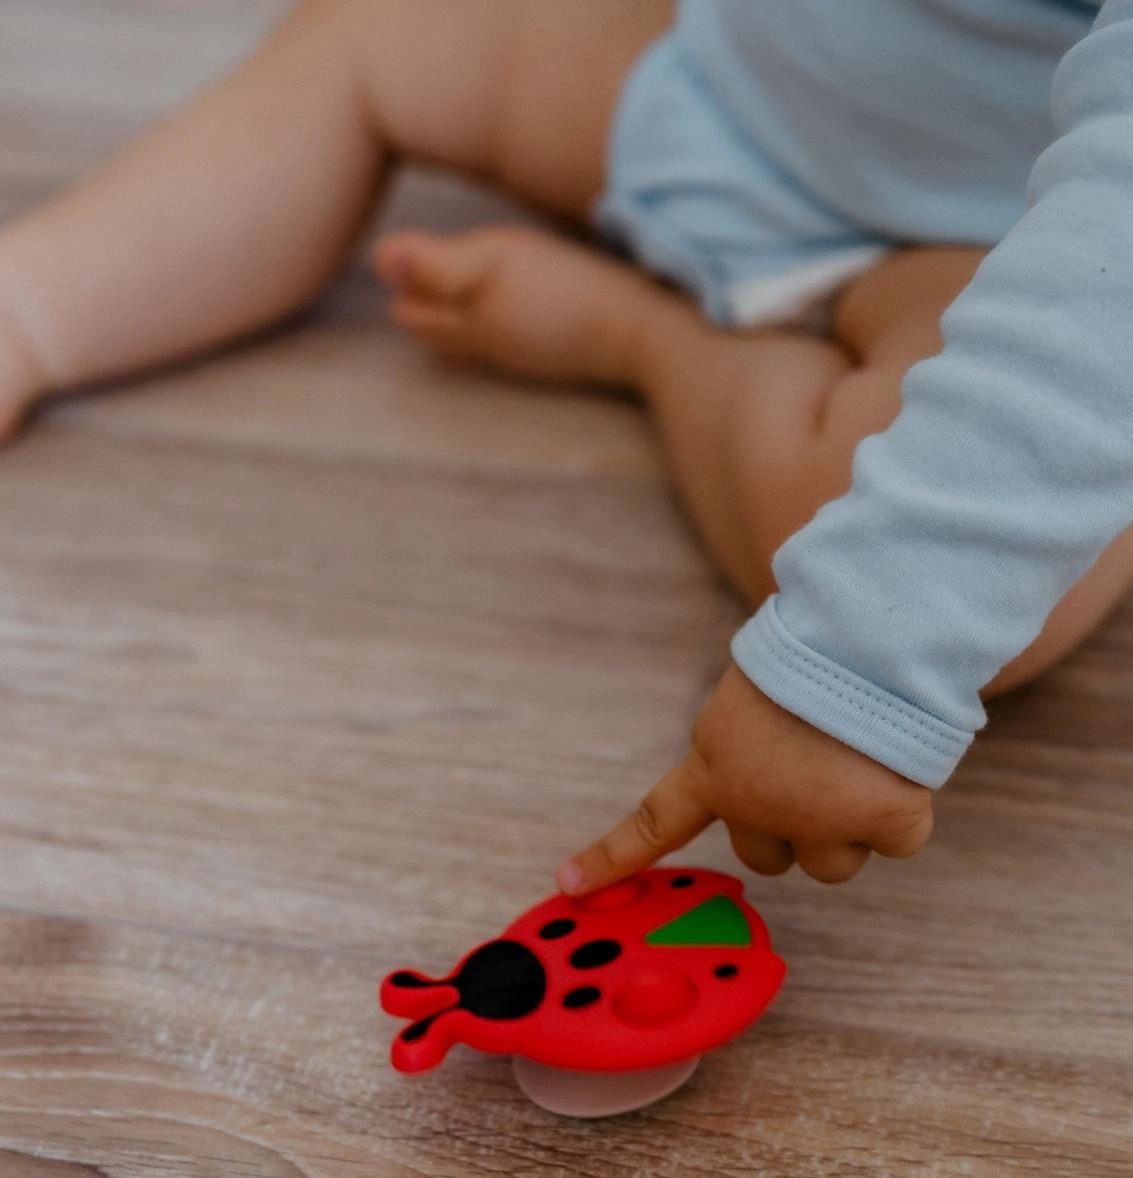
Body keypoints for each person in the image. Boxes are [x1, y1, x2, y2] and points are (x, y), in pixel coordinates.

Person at [1, 0, 1129, 893]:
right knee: (380, 29)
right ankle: (27, 308)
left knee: (910, 567)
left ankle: (651, 340)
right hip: (728, 78)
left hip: (1007, 250)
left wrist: (861, 660)